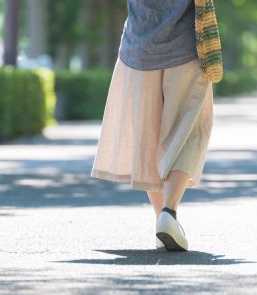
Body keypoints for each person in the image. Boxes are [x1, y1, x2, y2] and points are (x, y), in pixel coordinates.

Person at [91, 0, 216, 251]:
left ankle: (163, 220)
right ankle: (168, 212)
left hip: (139, 49)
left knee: (148, 134)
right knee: (188, 131)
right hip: (187, 48)